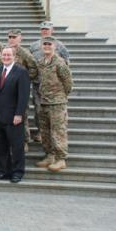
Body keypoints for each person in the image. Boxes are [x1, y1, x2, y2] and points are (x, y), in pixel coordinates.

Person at [0, 46, 31, 183]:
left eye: (9, 55)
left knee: (17, 147)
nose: (6, 57)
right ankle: (4, 171)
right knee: (1, 147)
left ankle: (18, 172)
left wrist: (19, 114)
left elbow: (23, 96)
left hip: (14, 117)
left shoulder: (21, 72)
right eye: (4, 55)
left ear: (14, 57)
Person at [35, 36, 72, 172]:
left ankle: (60, 158)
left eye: (49, 44)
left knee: (58, 131)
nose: (47, 46)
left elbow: (68, 83)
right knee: (45, 131)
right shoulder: (41, 62)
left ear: (54, 46)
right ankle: (50, 155)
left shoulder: (60, 63)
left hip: (57, 103)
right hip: (44, 101)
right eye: (44, 44)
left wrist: (60, 96)